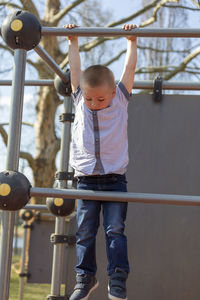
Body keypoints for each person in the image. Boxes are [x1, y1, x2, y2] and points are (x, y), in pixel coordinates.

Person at [64, 23, 137, 300]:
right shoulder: (81, 98)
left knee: (115, 230)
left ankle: (117, 279)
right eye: (91, 98)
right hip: (85, 180)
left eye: (100, 98)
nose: (94, 103)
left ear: (112, 93)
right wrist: (73, 41)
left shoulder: (120, 99)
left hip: (114, 180)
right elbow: (75, 71)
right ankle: (85, 278)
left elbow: (129, 71)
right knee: (84, 231)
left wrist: (131, 42)